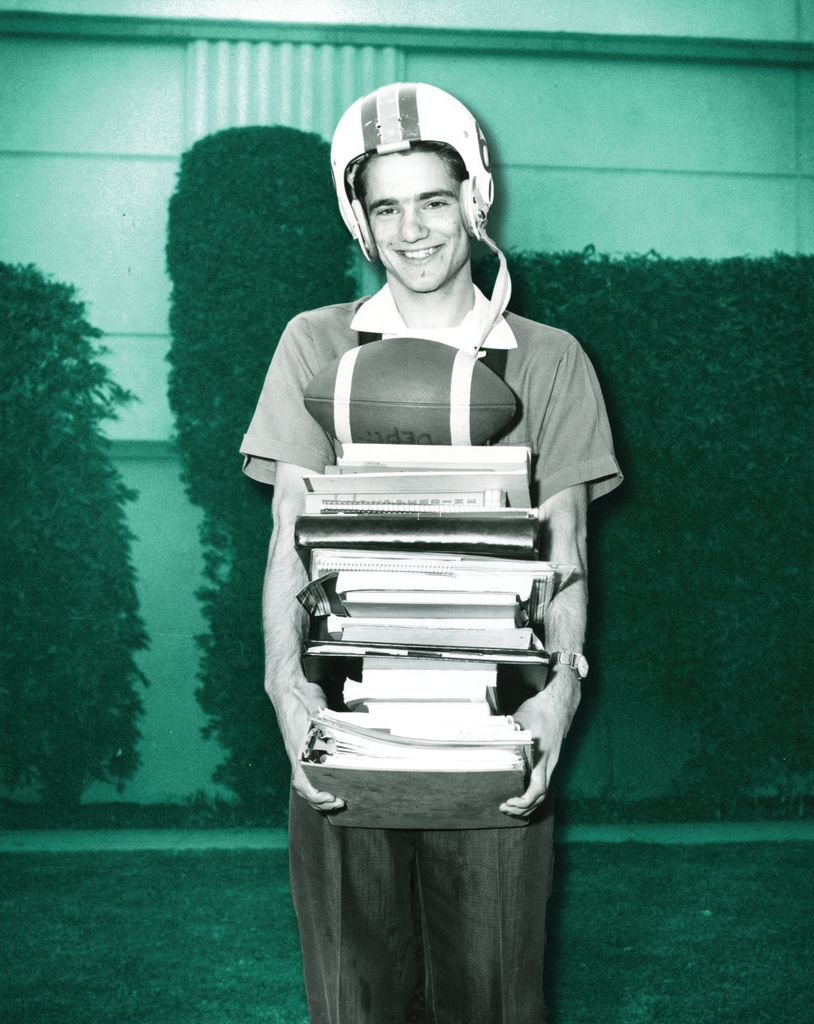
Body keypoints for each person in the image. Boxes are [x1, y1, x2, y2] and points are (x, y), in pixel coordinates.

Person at [240, 82, 622, 1024]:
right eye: (387, 206)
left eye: (434, 200)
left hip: (490, 721)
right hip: (347, 714)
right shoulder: (314, 344)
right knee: (354, 1002)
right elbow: (293, 530)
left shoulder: (549, 358)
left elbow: (565, 539)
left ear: (475, 199)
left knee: (493, 1000)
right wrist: (286, 694)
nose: (413, 229)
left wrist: (556, 700)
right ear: (360, 221)